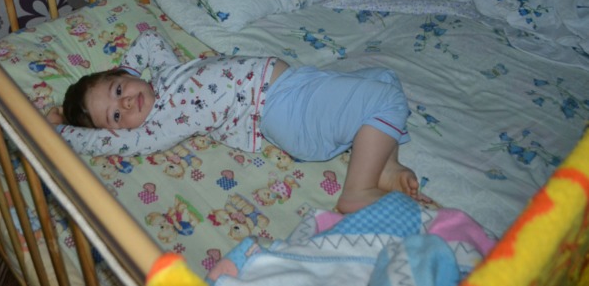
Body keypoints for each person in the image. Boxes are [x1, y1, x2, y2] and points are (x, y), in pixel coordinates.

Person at [46, 30, 427, 213]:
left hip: (294, 88)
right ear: (122, 130)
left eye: (118, 89)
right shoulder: (157, 126)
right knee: (386, 101)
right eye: (117, 115)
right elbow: (104, 142)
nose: (127, 101)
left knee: (382, 79)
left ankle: (384, 167)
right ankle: (357, 190)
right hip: (282, 110)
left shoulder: (163, 75)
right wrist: (60, 130)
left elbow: (148, 39)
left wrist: (127, 71)